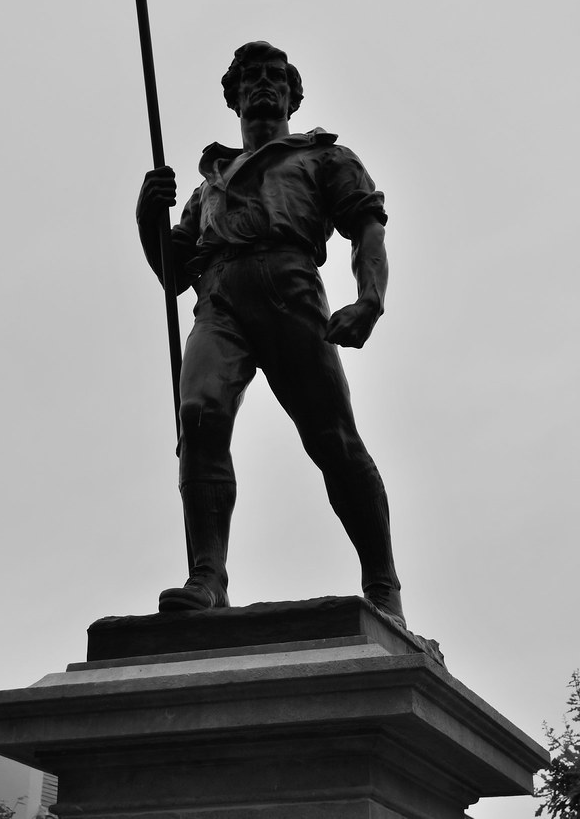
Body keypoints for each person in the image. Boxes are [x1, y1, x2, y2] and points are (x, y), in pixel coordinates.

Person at [136, 40, 405, 626]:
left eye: (275, 77)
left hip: (289, 287)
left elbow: (367, 230)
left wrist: (370, 299)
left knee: (332, 437)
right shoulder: (210, 184)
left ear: (292, 94)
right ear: (233, 95)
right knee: (199, 416)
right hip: (219, 296)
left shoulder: (322, 157)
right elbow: (174, 274)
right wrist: (147, 219)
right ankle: (208, 576)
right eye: (250, 77)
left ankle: (383, 584)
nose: (263, 84)